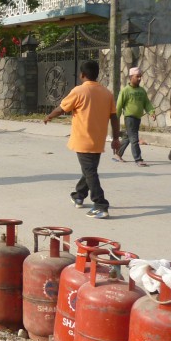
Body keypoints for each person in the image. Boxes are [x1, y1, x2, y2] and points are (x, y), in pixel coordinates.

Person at [43, 59, 120, 220]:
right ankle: (79, 195)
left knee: (90, 172)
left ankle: (100, 205)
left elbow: (62, 108)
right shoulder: (107, 93)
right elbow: (114, 117)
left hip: (83, 140)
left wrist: (49, 116)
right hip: (98, 140)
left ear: (82, 74)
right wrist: (115, 138)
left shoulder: (79, 91)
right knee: (89, 170)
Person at [114, 67, 156, 167]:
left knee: (128, 137)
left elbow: (147, 103)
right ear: (130, 77)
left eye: (140, 76)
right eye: (137, 76)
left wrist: (151, 112)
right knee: (134, 139)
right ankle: (138, 159)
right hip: (129, 118)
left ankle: (118, 154)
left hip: (137, 118)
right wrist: (115, 118)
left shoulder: (142, 91)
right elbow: (119, 105)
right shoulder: (125, 91)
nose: (139, 79)